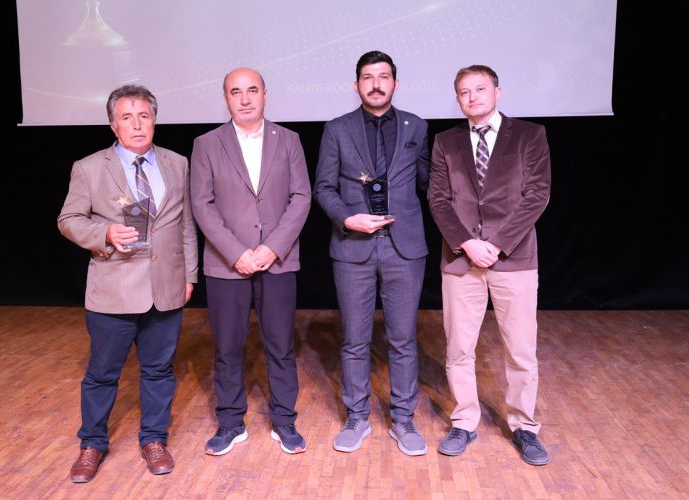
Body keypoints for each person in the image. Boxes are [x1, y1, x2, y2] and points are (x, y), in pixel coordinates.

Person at [58, 84, 198, 482]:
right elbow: (68, 220)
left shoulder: (177, 163)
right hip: (113, 290)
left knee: (159, 370)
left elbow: (186, 224)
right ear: (113, 125)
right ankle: (92, 444)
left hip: (166, 287)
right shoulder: (89, 167)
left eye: (144, 116)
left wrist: (189, 274)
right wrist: (104, 233)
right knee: (102, 373)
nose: (137, 125)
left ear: (154, 121)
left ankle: (154, 440)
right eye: (126, 117)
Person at [427, 65, 552, 466]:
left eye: (480, 89)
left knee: (521, 349)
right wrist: (467, 243)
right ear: (457, 99)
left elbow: (537, 195)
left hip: (514, 259)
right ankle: (464, 421)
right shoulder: (445, 141)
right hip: (461, 260)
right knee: (459, 348)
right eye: (464, 92)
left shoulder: (530, 135)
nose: (472, 97)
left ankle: (524, 426)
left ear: (498, 91)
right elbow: (438, 199)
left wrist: (496, 244)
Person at [313, 51, 431, 456]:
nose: (376, 84)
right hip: (353, 248)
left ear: (395, 83)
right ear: (356, 85)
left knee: (403, 340)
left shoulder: (417, 126)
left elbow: (430, 184)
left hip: (405, 248)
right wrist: (348, 219)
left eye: (383, 77)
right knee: (354, 340)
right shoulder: (337, 129)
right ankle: (357, 416)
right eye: (367, 77)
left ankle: (404, 420)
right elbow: (323, 187)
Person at [190, 67, 312, 456]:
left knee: (281, 344)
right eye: (235, 92)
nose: (245, 99)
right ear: (225, 98)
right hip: (227, 264)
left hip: (277, 261)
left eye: (252, 90)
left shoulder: (289, 140)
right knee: (227, 346)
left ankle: (284, 420)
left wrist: (272, 248)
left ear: (265, 94)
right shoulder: (206, 144)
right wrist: (236, 252)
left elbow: (301, 197)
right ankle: (230, 422)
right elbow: (202, 204)